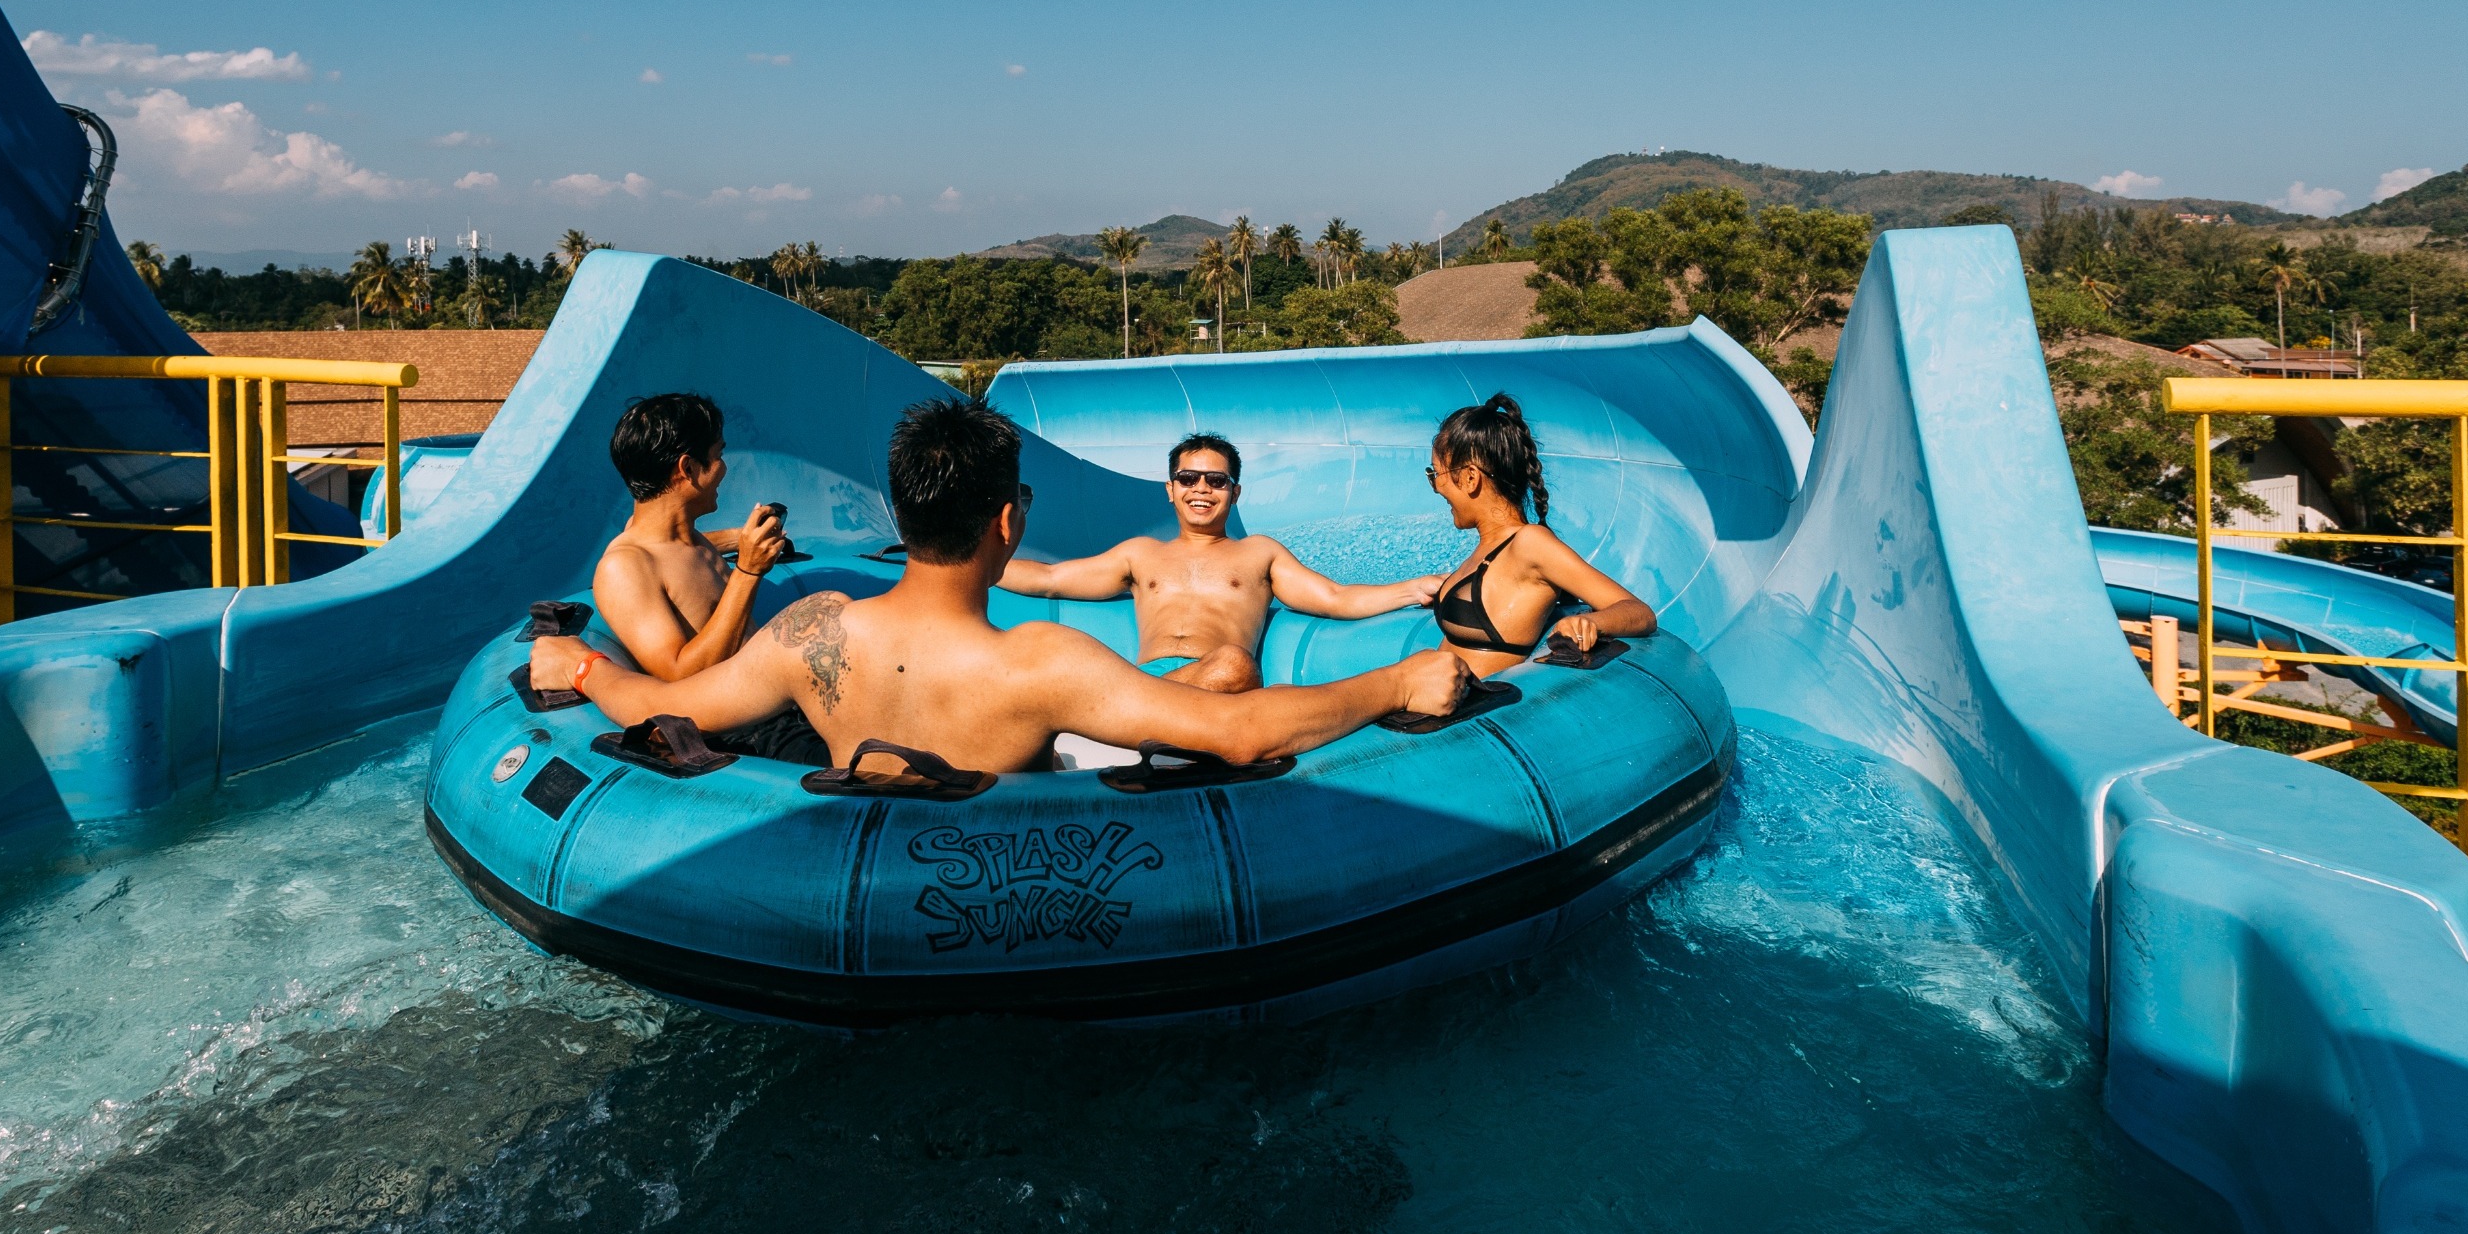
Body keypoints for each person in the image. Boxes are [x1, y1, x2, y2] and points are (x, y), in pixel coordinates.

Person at [532, 398, 1468, 773]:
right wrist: (1397, 681)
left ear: (899, 520)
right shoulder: (1042, 663)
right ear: (1007, 522)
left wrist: (577, 669)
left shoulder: (812, 630)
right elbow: (1240, 730)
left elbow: (660, 698)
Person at [998, 432, 1440, 691]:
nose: (1201, 489)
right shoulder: (1140, 554)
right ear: (1170, 490)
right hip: (1149, 682)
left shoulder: (1259, 553)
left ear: (1235, 492)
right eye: (1188, 479)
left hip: (1221, 686)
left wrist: (1413, 588)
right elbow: (1050, 579)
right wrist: (952, 560)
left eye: (1217, 480)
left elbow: (1334, 597)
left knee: (1233, 663)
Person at [589, 390, 824, 764]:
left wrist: (736, 537)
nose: (723, 469)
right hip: (750, 733)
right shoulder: (625, 568)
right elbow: (679, 680)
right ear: (687, 468)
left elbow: (671, 548)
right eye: (717, 456)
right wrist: (747, 572)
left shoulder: (681, 535)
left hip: (784, 705)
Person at [1423, 392, 1657, 672]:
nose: (1437, 488)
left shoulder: (1529, 543)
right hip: (1439, 704)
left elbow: (1639, 612)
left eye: (1436, 475)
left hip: (1471, 706)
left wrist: (1593, 622)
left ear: (1471, 477)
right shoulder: (1490, 546)